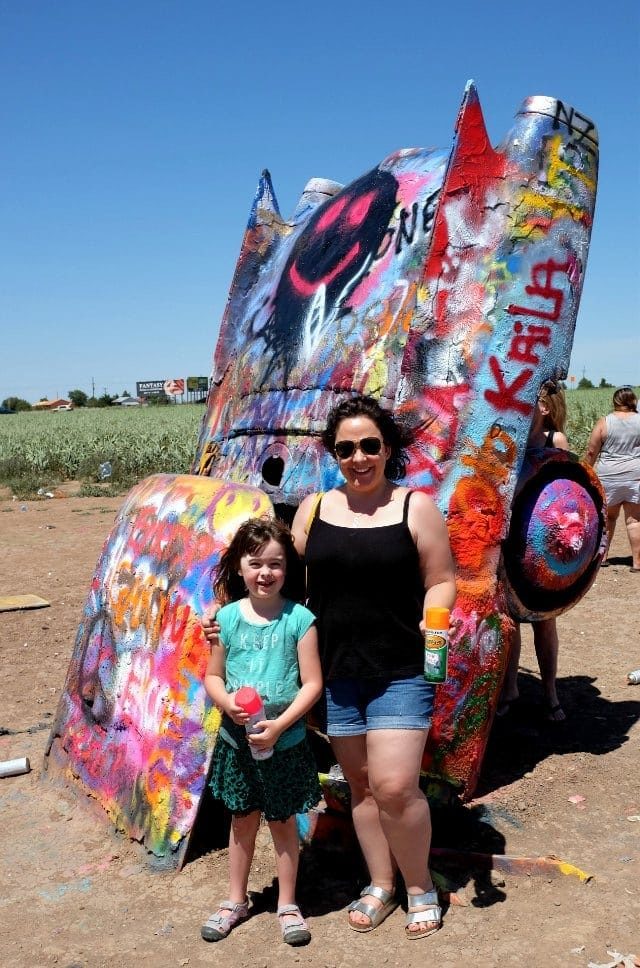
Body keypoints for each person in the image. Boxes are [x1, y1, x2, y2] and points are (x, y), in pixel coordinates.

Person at [291, 395, 456, 940]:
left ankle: (419, 887)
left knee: (394, 785)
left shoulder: (416, 507)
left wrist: (436, 626)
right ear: (333, 454)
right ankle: (381, 884)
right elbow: (289, 585)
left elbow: (441, 578)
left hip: (401, 668)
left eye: (369, 446)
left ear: (388, 449)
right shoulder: (314, 510)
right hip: (337, 670)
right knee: (359, 786)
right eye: (346, 448)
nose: (358, 458)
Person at [201, 517, 323, 946]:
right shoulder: (227, 619)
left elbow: (312, 684)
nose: (265, 573)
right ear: (239, 566)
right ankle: (236, 899)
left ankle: (288, 904)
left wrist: (280, 725)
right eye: (255, 563)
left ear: (287, 569)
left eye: (276, 564)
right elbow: (213, 676)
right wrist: (225, 703)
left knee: (284, 822)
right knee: (241, 819)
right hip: (237, 743)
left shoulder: (299, 619)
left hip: (285, 744)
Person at [498, 380, 570, 722]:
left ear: (544, 408)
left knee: (544, 621)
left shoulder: (555, 440)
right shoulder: (510, 435)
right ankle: (510, 688)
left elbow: (564, 492)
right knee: (510, 617)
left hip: (542, 543)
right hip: (511, 538)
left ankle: (550, 693)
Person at [584, 386, 640, 571]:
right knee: (634, 521)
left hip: (609, 476)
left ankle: (603, 557)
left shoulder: (605, 422)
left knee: (608, 518)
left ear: (615, 401)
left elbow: (592, 451)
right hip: (635, 475)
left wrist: (585, 470)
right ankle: (637, 563)